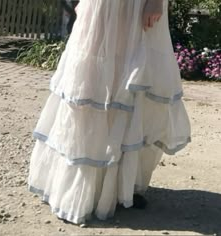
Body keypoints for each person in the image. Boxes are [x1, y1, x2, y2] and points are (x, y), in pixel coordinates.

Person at [28, 0, 191, 225]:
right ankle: (81, 190)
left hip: (136, 6)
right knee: (91, 85)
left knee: (131, 86)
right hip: (100, 6)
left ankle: (120, 188)